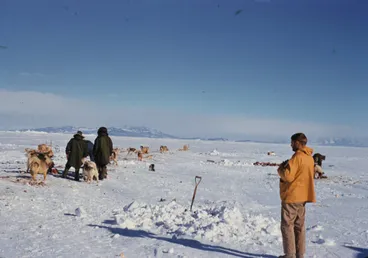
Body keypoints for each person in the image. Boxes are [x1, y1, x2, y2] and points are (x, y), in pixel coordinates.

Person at [277, 133, 316, 258]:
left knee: (287, 226)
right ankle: (300, 254)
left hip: (292, 196)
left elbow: (288, 176)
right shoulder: (309, 158)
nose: (291, 145)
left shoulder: (297, 156)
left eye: (292, 142)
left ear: (298, 143)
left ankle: (289, 255)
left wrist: (281, 169)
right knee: (299, 226)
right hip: (303, 196)